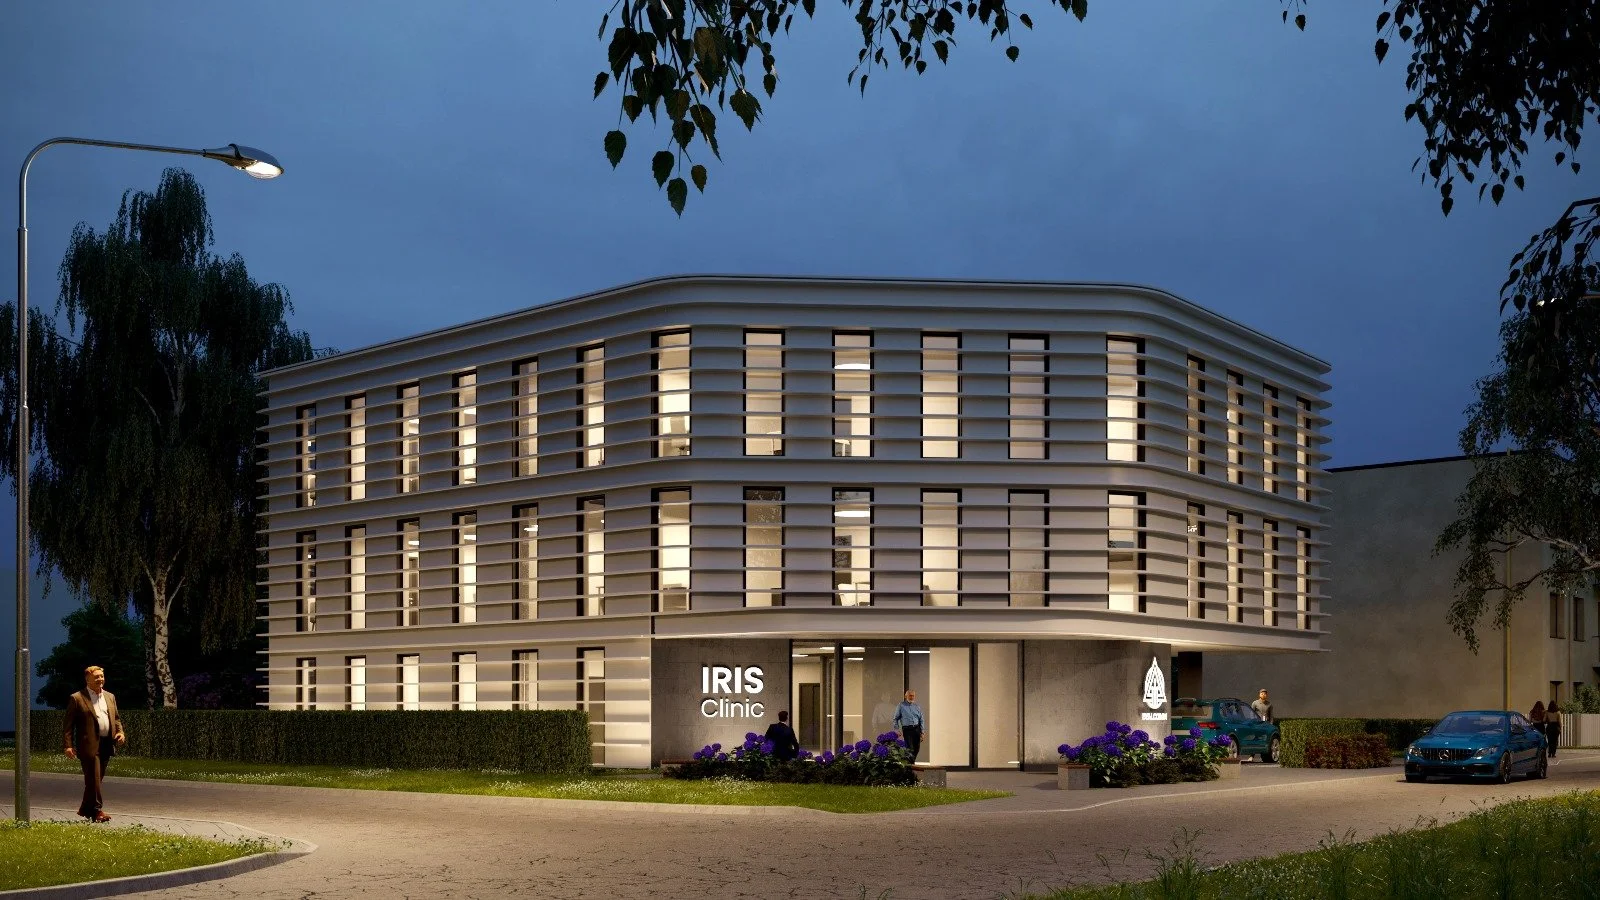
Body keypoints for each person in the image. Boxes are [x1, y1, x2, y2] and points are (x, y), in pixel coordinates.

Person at [63, 665, 126, 823]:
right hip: (88, 745)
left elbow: (116, 718)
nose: (100, 679)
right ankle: (97, 811)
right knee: (94, 779)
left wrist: (120, 732)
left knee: (95, 779)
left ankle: (85, 809)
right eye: (96, 677)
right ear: (87, 679)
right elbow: (68, 725)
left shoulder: (110, 696)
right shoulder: (77, 698)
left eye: (102, 676)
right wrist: (68, 745)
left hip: (106, 743)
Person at [892, 689, 925, 760]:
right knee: (910, 749)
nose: (912, 697)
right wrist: (896, 729)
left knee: (917, 748)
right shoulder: (901, 706)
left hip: (917, 729)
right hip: (907, 730)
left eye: (913, 696)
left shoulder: (917, 706)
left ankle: (910, 764)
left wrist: (922, 732)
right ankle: (911, 766)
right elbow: (895, 718)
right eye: (910, 696)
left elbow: (921, 719)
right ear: (905, 696)